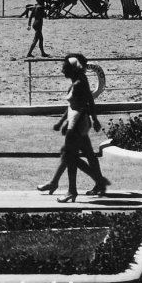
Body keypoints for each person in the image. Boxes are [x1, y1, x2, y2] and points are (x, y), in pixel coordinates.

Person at [36, 54, 110, 202]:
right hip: (77, 124)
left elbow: (84, 105)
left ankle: (76, 189)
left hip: (76, 125)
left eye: (65, 68)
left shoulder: (78, 84)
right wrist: (62, 122)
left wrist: (72, 125)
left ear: (72, 69)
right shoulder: (77, 81)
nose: (62, 70)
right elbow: (74, 106)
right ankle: (64, 184)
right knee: (73, 155)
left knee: (70, 156)